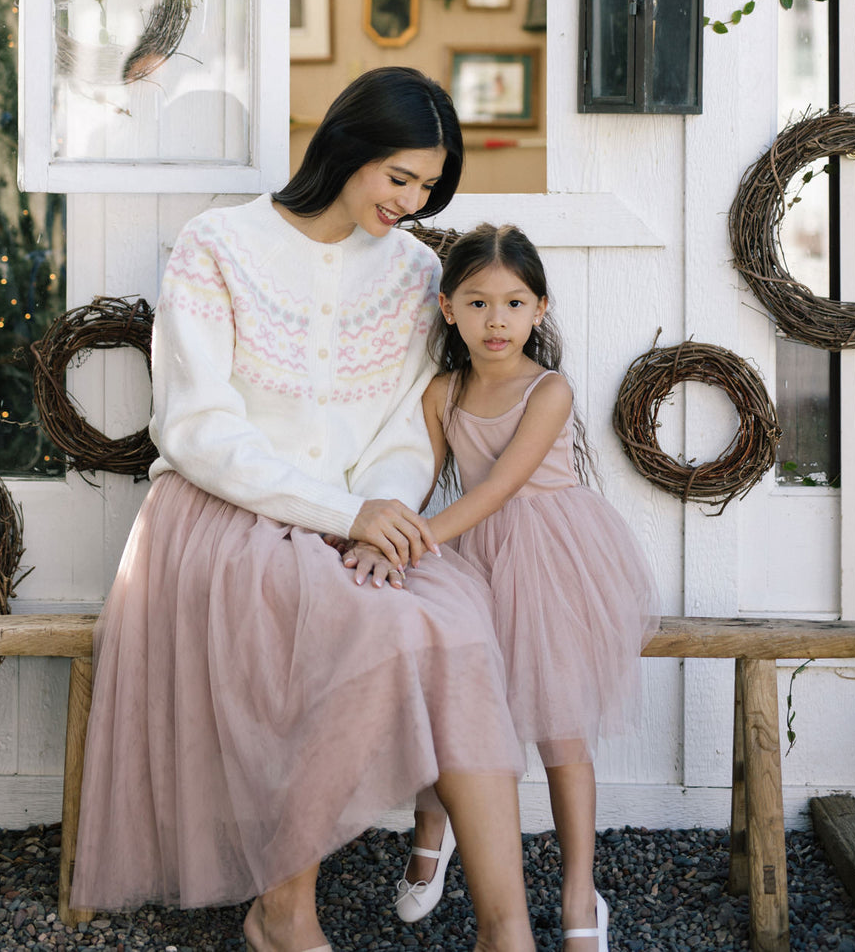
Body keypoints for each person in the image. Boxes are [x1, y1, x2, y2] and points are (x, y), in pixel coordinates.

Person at [70, 69, 537, 952]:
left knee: (460, 628)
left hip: (365, 518)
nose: (411, 201)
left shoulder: (416, 273)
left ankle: (504, 932)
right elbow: (197, 428)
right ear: (346, 146)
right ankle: (283, 910)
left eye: (428, 188)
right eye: (399, 177)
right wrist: (339, 514)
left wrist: (385, 517)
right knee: (370, 629)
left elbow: (410, 425)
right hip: (219, 516)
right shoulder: (217, 245)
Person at [385, 223, 659, 952]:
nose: (495, 320)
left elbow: (502, 488)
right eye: (477, 304)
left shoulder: (550, 388)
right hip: (469, 556)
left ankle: (579, 891)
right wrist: (390, 535)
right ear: (448, 309)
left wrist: (415, 539)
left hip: (553, 565)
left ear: (540, 308)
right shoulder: (441, 392)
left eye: (512, 303)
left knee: (561, 734)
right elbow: (415, 482)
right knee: (451, 702)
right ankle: (432, 828)